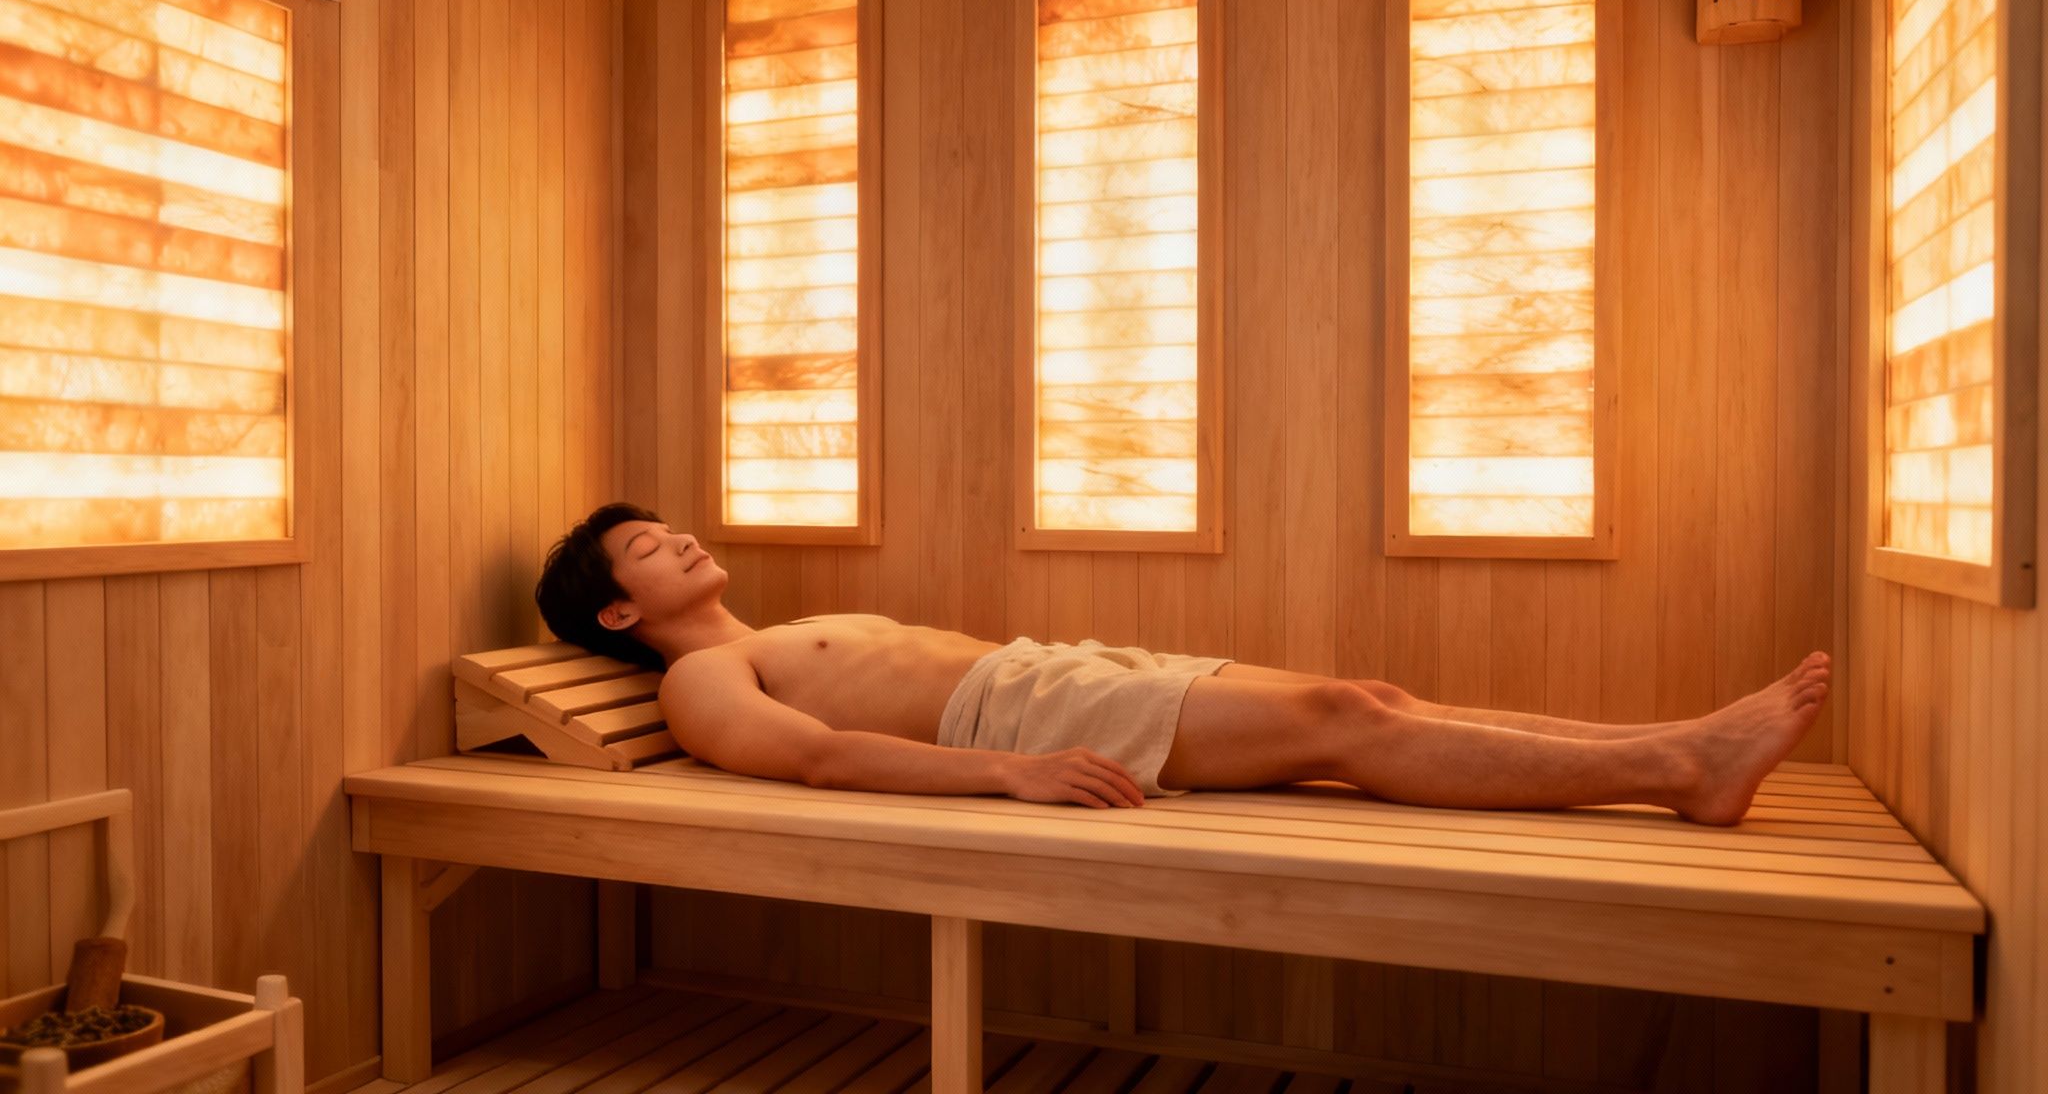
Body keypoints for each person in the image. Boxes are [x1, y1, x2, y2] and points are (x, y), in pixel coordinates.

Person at [535, 502, 1830, 826]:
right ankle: (1684, 764)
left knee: (1364, 703)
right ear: (615, 616)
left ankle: (1675, 751)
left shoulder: (765, 635)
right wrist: (1012, 777)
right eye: (651, 546)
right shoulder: (700, 682)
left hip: (1052, 672)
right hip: (1016, 715)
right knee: (1342, 719)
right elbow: (816, 762)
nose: (684, 537)